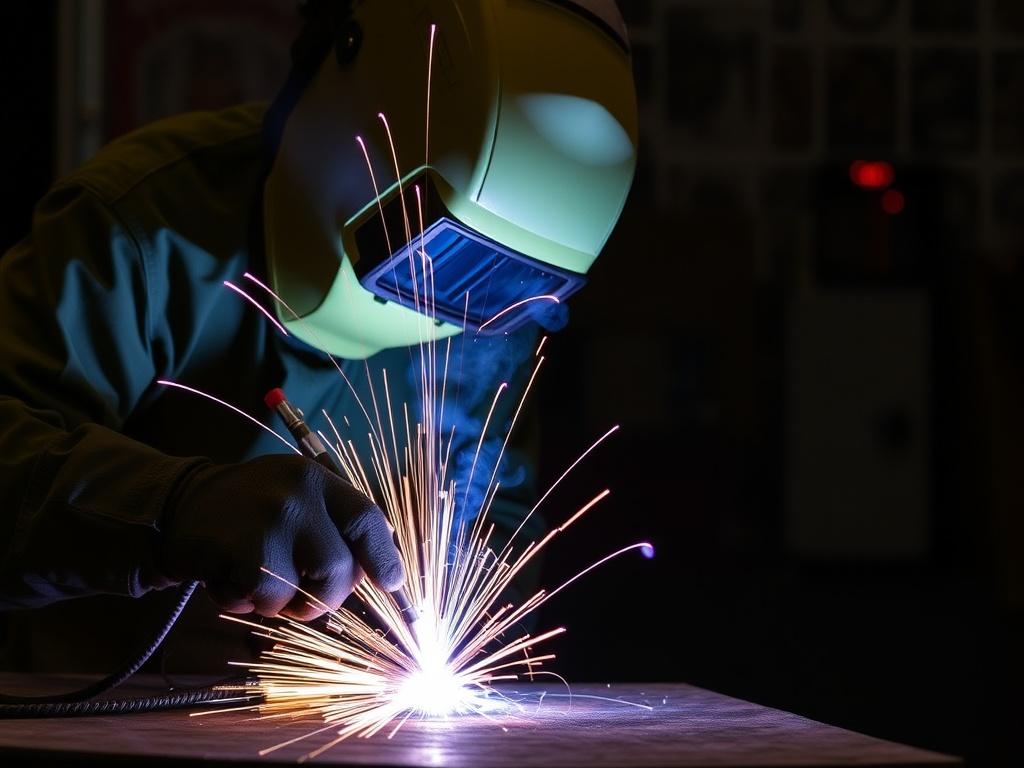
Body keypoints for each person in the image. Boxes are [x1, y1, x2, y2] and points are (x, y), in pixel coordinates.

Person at [0, 0, 637, 674]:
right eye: (433, 256)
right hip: (84, 719)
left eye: (504, 290)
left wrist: (465, 615)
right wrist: (176, 506)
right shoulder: (141, 231)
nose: (446, 312)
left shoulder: (491, 317)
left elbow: (500, 523)